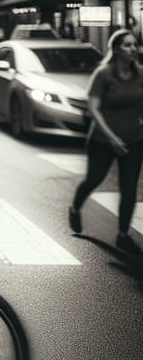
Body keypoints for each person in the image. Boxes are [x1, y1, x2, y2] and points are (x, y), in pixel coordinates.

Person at [69, 29, 143, 254]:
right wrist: (112, 137)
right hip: (103, 139)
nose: (134, 49)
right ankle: (75, 207)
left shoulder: (140, 73)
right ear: (116, 49)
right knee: (94, 179)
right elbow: (93, 109)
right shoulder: (103, 74)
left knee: (129, 188)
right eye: (128, 45)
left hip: (134, 139)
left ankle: (123, 235)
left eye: (135, 45)